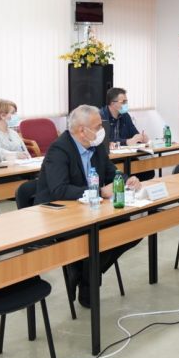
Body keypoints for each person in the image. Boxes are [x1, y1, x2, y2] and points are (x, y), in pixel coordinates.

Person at [35, 104, 142, 308]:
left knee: (132, 229)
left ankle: (85, 275)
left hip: (89, 209)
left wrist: (127, 179)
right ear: (82, 130)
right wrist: (100, 192)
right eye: (97, 126)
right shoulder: (59, 149)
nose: (102, 130)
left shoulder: (96, 146)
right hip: (58, 213)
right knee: (99, 237)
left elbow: (111, 172)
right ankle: (88, 281)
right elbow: (59, 190)